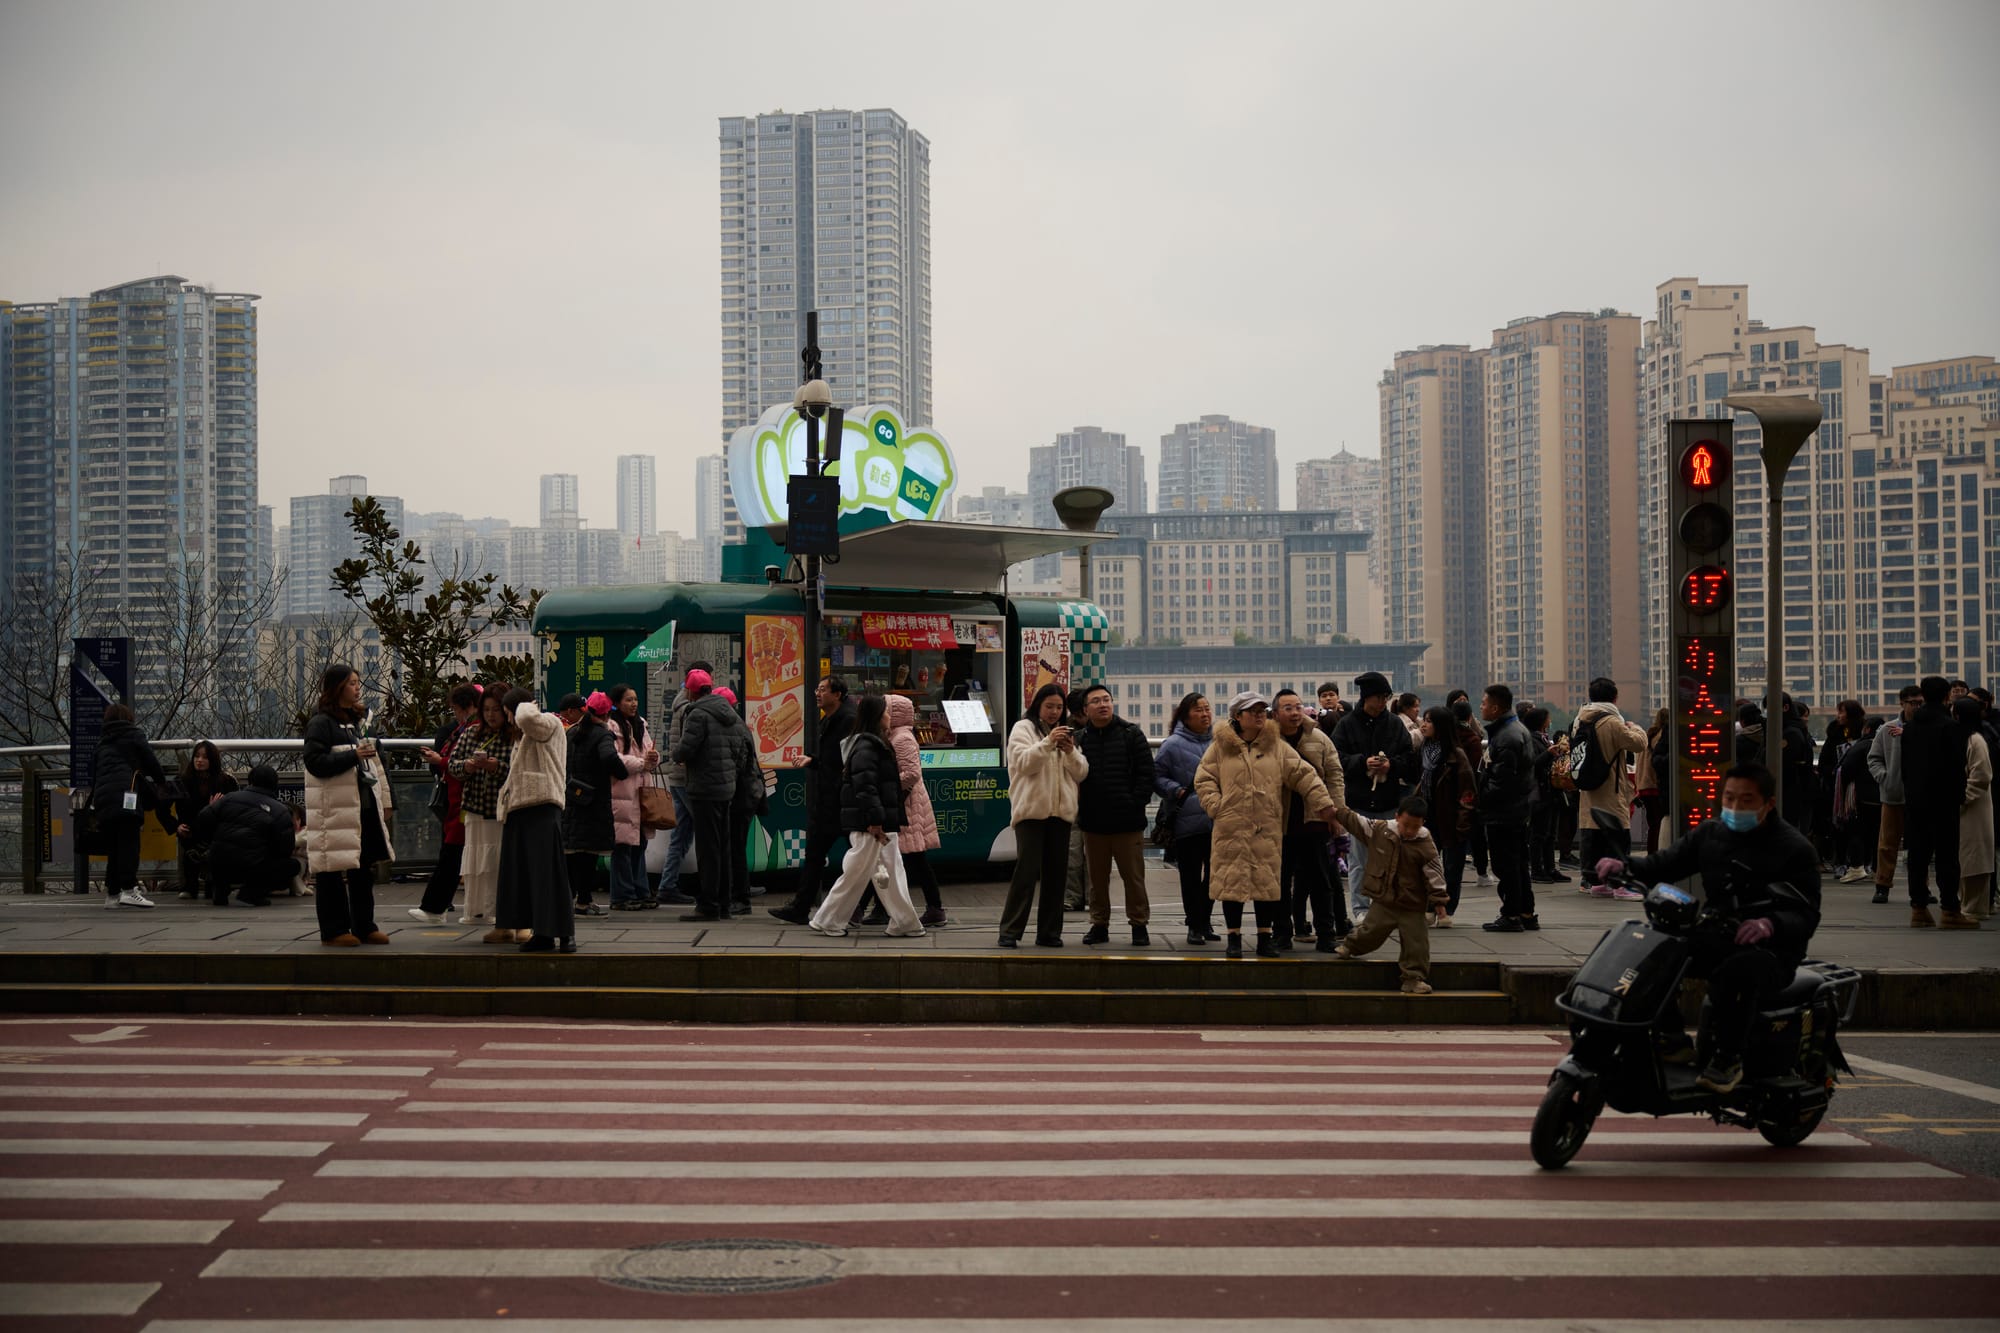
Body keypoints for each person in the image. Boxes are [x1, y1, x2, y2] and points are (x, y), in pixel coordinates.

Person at [1605, 764, 1821, 1095]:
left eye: (1746, 800)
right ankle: (1672, 1037)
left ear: (1768, 803)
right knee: (1653, 949)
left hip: (1773, 950)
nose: (1735, 808)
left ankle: (1728, 1059)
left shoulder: (1794, 848)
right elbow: (1665, 863)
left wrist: (1770, 923)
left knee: (1738, 971)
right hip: (1719, 930)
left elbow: (1806, 914)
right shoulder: (1711, 834)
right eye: (1729, 798)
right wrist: (1624, 866)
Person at [1193, 692, 1338, 959]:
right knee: (1231, 883)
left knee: (1265, 883)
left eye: (1262, 710)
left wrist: (1325, 805)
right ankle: (1233, 938)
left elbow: (1304, 775)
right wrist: (1216, 806)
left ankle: (1264, 937)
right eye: (1252, 711)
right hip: (1230, 826)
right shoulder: (1220, 746)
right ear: (1238, 716)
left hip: (1266, 826)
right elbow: (1203, 779)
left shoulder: (1276, 746)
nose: (1260, 715)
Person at [808, 693, 925, 938]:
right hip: (871, 823)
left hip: (878, 821)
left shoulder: (871, 743)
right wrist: (874, 820)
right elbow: (865, 786)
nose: (889, 716)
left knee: (890, 871)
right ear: (875, 716)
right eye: (885, 712)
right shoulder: (868, 746)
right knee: (858, 872)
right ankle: (828, 919)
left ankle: (904, 922)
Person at [302, 664, 395, 947]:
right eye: (352, 683)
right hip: (334, 809)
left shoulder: (357, 721)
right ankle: (334, 929)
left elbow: (373, 763)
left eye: (358, 682)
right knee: (331, 869)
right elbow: (314, 763)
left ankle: (365, 925)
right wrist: (353, 756)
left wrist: (387, 800)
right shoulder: (321, 723)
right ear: (337, 687)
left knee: (361, 867)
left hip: (361, 805)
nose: (358, 688)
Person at [998, 683, 1087, 948]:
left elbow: (1081, 772)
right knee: (1026, 872)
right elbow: (1024, 764)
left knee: (1056, 875)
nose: (1054, 712)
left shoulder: (1066, 734)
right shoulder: (1023, 729)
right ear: (1038, 705)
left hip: (1061, 814)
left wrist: (1070, 750)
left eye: (1059, 707)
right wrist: (1048, 743)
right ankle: (1010, 931)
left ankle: (1049, 933)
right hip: (1031, 813)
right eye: (1049, 706)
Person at [1330, 794, 1449, 993]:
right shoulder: (1381, 830)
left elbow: (1434, 872)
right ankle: (1351, 946)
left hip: (1412, 903)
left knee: (1416, 944)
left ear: (1423, 824)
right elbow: (1357, 822)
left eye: (1415, 826)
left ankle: (1413, 978)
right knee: (1371, 932)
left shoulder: (1425, 842)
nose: (1410, 831)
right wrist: (1337, 812)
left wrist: (1439, 900)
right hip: (1384, 899)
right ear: (1397, 817)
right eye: (1406, 825)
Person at [1331, 671, 1419, 920]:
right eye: (1379, 697)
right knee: (1358, 861)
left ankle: (1385, 906)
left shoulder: (1394, 724)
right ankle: (1360, 909)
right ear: (1366, 698)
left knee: (1389, 860)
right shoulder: (1347, 724)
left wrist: (1391, 765)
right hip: (1357, 802)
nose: (1382, 702)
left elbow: (1409, 760)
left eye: (1385, 698)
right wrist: (1362, 763)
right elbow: (1335, 757)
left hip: (1388, 802)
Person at [1074, 683, 1157, 947]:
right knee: (1097, 881)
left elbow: (1147, 774)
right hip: (1093, 823)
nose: (1103, 705)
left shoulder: (1131, 734)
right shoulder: (1080, 739)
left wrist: (1134, 803)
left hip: (1127, 823)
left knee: (1133, 878)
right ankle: (1099, 925)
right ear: (1086, 710)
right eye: (1096, 701)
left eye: (1106, 699)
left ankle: (1139, 925)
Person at [494, 687, 575, 953]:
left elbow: (527, 717)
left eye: (508, 712)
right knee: (528, 876)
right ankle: (542, 932)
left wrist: (523, 705)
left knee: (548, 874)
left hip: (541, 805)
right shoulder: (527, 734)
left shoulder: (547, 722)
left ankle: (563, 933)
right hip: (521, 808)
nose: (509, 719)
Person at [769, 676, 853, 925]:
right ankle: (800, 906)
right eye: (817, 688)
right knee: (818, 853)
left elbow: (847, 760)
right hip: (830, 799)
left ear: (837, 694)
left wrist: (820, 766)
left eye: (823, 689)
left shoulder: (847, 719)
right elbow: (831, 756)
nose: (817, 693)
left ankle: (803, 906)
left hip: (839, 800)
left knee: (862, 857)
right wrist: (813, 760)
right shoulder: (832, 717)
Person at [1274, 688, 1348, 948]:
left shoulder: (1318, 738)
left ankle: (1326, 935)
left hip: (1315, 819)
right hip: (1279, 822)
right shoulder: (1268, 741)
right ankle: (1282, 933)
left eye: (1297, 707)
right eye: (1288, 708)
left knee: (1321, 880)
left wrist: (1336, 813)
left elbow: (1334, 776)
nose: (1294, 713)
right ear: (1276, 713)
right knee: (1279, 882)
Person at [672, 668, 747, 922]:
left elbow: (685, 749)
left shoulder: (698, 714)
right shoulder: (731, 714)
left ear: (692, 692)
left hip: (704, 788)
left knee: (708, 849)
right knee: (723, 846)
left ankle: (708, 905)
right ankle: (724, 903)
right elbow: (741, 753)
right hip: (727, 788)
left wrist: (676, 756)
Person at [408, 683, 482, 924]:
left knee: (453, 852)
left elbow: (463, 763)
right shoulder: (465, 728)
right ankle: (443, 907)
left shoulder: (471, 729)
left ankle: (435, 907)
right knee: (457, 852)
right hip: (457, 799)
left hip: (464, 800)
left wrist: (441, 761)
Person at [1903, 676, 1972, 929]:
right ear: (1946, 697)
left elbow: (1905, 767)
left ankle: (1918, 908)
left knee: (1918, 855)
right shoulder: (1949, 727)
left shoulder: (1910, 727)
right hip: (1943, 800)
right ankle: (1950, 909)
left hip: (1916, 799)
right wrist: (1960, 793)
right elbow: (1956, 767)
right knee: (1946, 856)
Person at [563, 691, 639, 920]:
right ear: (607, 713)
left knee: (573, 853)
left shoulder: (573, 732)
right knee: (589, 854)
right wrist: (621, 771)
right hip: (593, 801)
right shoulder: (602, 734)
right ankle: (584, 902)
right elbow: (608, 757)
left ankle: (570, 899)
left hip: (572, 796)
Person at [449, 687, 518, 941]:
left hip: (502, 811)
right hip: (476, 809)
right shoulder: (471, 734)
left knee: (499, 864)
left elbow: (517, 771)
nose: (491, 715)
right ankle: (480, 911)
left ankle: (501, 916)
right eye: (486, 709)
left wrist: (495, 767)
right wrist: (466, 766)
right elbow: (453, 764)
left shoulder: (515, 736)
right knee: (479, 863)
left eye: (496, 710)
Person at [1573, 677, 1648, 900]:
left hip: (1588, 786)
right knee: (1617, 834)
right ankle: (1620, 885)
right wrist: (1637, 729)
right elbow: (1638, 744)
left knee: (1593, 834)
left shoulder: (1580, 719)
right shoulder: (1611, 722)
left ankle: (1597, 883)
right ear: (1614, 697)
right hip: (1611, 787)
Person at [1153, 692, 1217, 946]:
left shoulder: (1219, 742)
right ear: (1185, 715)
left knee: (1215, 875)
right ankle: (1194, 923)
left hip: (1216, 819)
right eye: (1198, 710)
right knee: (1189, 877)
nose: (1205, 714)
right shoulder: (1172, 744)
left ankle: (1205, 920)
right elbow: (1156, 777)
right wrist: (1176, 790)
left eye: (1207, 709)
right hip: (1187, 822)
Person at [90, 703, 167, 910]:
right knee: (129, 844)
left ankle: (112, 895)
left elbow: (93, 773)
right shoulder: (133, 734)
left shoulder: (102, 742)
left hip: (103, 799)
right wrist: (161, 781)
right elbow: (150, 760)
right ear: (129, 718)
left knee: (114, 847)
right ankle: (129, 890)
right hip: (126, 795)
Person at [1477, 683, 1538, 932]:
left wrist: (1481, 799)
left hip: (1504, 812)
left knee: (1506, 864)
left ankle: (1511, 914)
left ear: (1495, 707)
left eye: (1483, 703)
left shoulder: (1507, 737)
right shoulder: (1511, 731)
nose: (1480, 707)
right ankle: (1525, 911)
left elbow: (1503, 781)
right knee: (1518, 862)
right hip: (1515, 809)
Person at [194, 764, 298, 907]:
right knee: (292, 865)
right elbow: (285, 848)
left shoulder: (228, 798)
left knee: (223, 855)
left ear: (250, 781)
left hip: (219, 862)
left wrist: (213, 841)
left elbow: (202, 819)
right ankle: (251, 892)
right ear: (274, 784)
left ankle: (220, 889)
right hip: (253, 868)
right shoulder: (279, 810)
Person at [886, 693, 948, 928]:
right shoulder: (897, 735)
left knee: (913, 858)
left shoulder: (901, 738)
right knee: (900, 858)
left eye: (886, 709)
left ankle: (935, 908)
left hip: (909, 804)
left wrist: (888, 784)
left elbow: (911, 773)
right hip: (907, 802)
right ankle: (933, 908)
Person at [658, 660, 713, 908]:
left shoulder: (681, 704)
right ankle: (715, 886)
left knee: (681, 836)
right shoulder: (689, 709)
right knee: (707, 833)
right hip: (688, 779)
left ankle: (667, 885)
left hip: (678, 779)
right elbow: (689, 746)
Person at [1417, 705, 1475, 927]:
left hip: (1451, 818)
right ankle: (1430, 908)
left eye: (1429, 721)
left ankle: (1446, 910)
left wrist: (1463, 821)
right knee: (1428, 866)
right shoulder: (1424, 749)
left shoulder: (1456, 755)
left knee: (1452, 867)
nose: (1424, 724)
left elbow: (1468, 792)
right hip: (1428, 816)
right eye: (1424, 719)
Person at [604, 683, 661, 910]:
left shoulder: (641, 724)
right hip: (621, 793)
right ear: (617, 703)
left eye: (635, 699)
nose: (633, 703)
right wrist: (641, 763)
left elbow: (648, 753)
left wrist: (653, 758)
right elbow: (614, 759)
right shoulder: (611, 726)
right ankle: (621, 896)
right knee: (623, 846)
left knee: (640, 844)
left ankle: (640, 891)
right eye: (628, 699)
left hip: (641, 794)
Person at [1866, 685, 1922, 905]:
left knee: (1920, 844)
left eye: (1920, 702)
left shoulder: (1926, 729)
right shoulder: (1887, 729)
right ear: (1902, 703)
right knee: (1887, 843)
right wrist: (1884, 777)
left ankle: (1921, 887)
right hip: (1893, 793)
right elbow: (1873, 758)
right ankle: (1882, 885)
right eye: (1913, 703)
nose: (1917, 707)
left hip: (1919, 795)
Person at [167, 739, 237, 902]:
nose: (199, 760)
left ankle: (212, 884)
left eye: (205, 757)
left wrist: (215, 808)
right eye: (197, 756)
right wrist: (175, 826)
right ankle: (189, 886)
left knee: (216, 849)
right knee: (190, 849)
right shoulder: (181, 781)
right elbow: (161, 807)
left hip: (216, 831)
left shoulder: (226, 781)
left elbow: (235, 810)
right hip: (189, 830)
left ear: (212, 760)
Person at [715, 687, 765, 914]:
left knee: (735, 848)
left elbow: (738, 766)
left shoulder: (733, 728)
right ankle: (736, 894)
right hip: (746, 794)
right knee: (735, 847)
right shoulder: (739, 726)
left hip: (740, 796)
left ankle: (741, 898)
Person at [1954, 697, 1992, 924]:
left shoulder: (1976, 741)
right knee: (1966, 856)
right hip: (1964, 805)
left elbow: (1982, 776)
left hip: (1974, 806)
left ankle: (1975, 908)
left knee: (1976, 858)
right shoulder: (1965, 738)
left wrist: (1962, 797)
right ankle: (1966, 905)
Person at [1836, 717, 1884, 886]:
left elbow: (1846, 769)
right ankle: (1878, 870)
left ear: (1867, 729)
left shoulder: (1862, 746)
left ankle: (1856, 867)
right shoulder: (1884, 745)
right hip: (1881, 797)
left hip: (1861, 797)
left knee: (1856, 831)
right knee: (1877, 835)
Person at [1522, 706, 1567, 884]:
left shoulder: (1544, 738)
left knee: (1549, 834)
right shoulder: (1532, 740)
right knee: (1538, 833)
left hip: (1550, 792)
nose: (1550, 721)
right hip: (1540, 792)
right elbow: (1532, 764)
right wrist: (1548, 754)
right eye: (1547, 718)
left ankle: (1550, 868)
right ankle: (1537, 869)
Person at [1061, 687, 1092, 914]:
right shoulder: (1072, 734)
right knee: (1077, 854)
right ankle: (1082, 897)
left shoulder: (1067, 732)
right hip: (1077, 800)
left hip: (1083, 800)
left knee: (1081, 854)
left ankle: (1081, 897)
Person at [1637, 708, 1671, 857]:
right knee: (1659, 824)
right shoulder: (1662, 736)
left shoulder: (1647, 734)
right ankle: (1657, 856)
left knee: (1652, 825)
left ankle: (1652, 854)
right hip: (1655, 785)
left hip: (1644, 786)